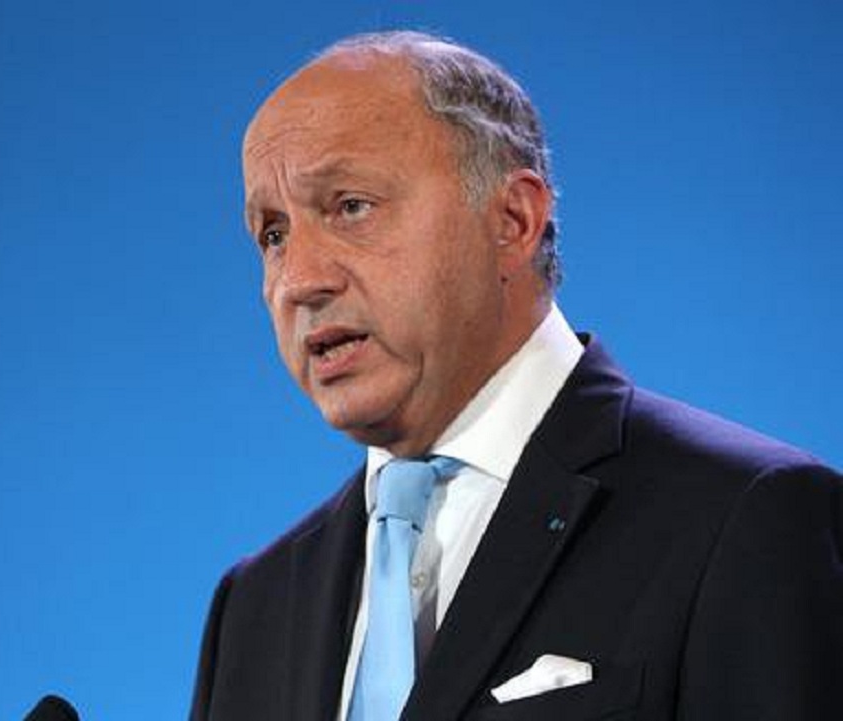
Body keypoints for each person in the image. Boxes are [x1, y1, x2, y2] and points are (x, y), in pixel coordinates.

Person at [190, 30, 843, 721]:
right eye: (273, 234)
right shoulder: (254, 607)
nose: (299, 281)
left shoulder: (746, 517)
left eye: (351, 206)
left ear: (514, 219)